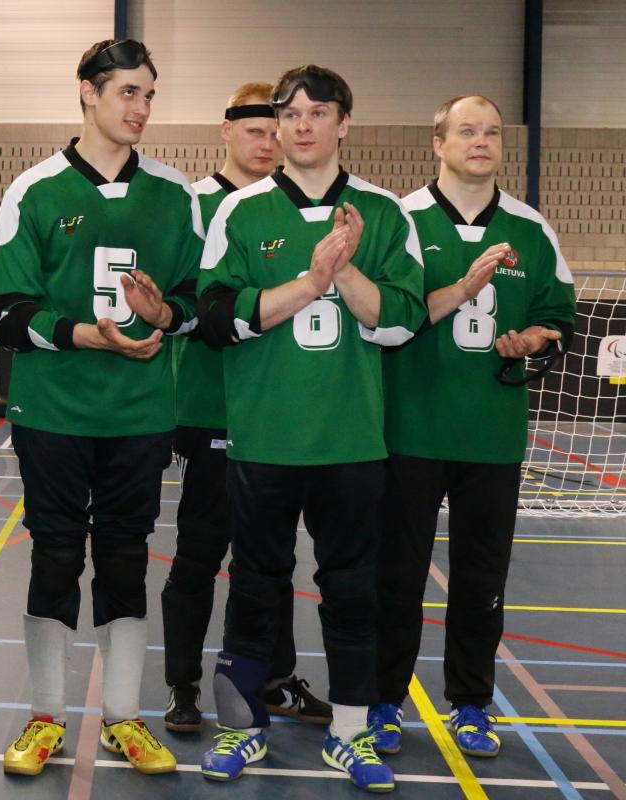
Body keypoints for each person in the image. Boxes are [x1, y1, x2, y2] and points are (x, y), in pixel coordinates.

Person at [196, 64, 426, 791]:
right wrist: (307, 281)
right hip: (264, 438)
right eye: (289, 113)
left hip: (351, 441)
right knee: (256, 588)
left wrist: (346, 269)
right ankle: (243, 730)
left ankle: (350, 736)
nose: (301, 125)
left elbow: (402, 323)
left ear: (343, 124)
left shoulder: (385, 214)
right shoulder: (242, 212)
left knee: (354, 591)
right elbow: (213, 319)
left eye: (317, 112)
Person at [0, 38, 203, 778]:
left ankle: (122, 718)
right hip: (53, 413)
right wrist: (89, 335)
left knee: (124, 558)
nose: (141, 108)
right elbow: (7, 311)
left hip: (140, 414)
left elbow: (201, 300)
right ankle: (47, 715)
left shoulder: (176, 196)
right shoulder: (36, 190)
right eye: (127, 93)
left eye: (150, 94)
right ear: (87, 92)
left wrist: (165, 316)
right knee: (54, 555)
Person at [371, 94, 575, 759]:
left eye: (491, 131)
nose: (480, 140)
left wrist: (536, 340)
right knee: (396, 578)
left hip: (491, 435)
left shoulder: (530, 229)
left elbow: (558, 322)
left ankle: (471, 703)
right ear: (438, 141)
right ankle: (382, 699)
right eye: (467, 129)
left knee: (482, 580)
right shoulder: (399, 221)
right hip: (409, 431)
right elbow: (379, 318)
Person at [161, 80, 331, 733]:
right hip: (211, 407)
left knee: (271, 558)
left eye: (277, 128)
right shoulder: (196, 206)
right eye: (255, 130)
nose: (268, 141)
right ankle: (184, 685)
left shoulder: (295, 206)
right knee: (201, 552)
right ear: (225, 131)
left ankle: (275, 679)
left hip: (279, 411)